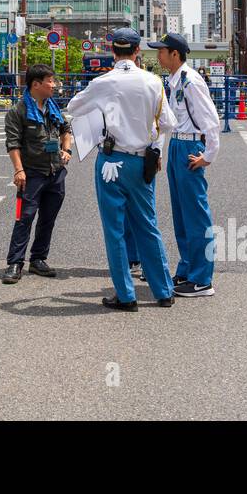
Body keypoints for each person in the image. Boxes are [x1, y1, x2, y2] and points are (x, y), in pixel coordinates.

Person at [65, 28, 178, 311]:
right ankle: (164, 291)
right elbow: (168, 123)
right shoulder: (153, 82)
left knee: (114, 229)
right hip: (143, 161)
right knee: (147, 225)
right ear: (138, 51)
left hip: (111, 161)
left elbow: (73, 107)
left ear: (113, 51)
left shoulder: (103, 81)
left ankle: (126, 296)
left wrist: (104, 113)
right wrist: (154, 146)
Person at [149, 32, 221, 297]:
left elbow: (211, 120)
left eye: (162, 51)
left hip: (191, 145)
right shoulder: (174, 80)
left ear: (175, 54)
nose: (158, 55)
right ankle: (188, 269)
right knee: (181, 213)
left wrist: (209, 156)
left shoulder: (191, 81)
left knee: (196, 214)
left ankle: (202, 279)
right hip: (178, 144)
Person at [2, 65, 73, 284]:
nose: (54, 85)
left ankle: (38, 259)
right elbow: (12, 144)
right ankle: (15, 263)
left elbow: (66, 131)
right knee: (24, 219)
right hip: (31, 174)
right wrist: (19, 170)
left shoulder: (53, 108)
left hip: (55, 172)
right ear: (36, 84)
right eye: (50, 81)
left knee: (47, 219)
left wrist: (67, 150)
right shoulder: (18, 111)